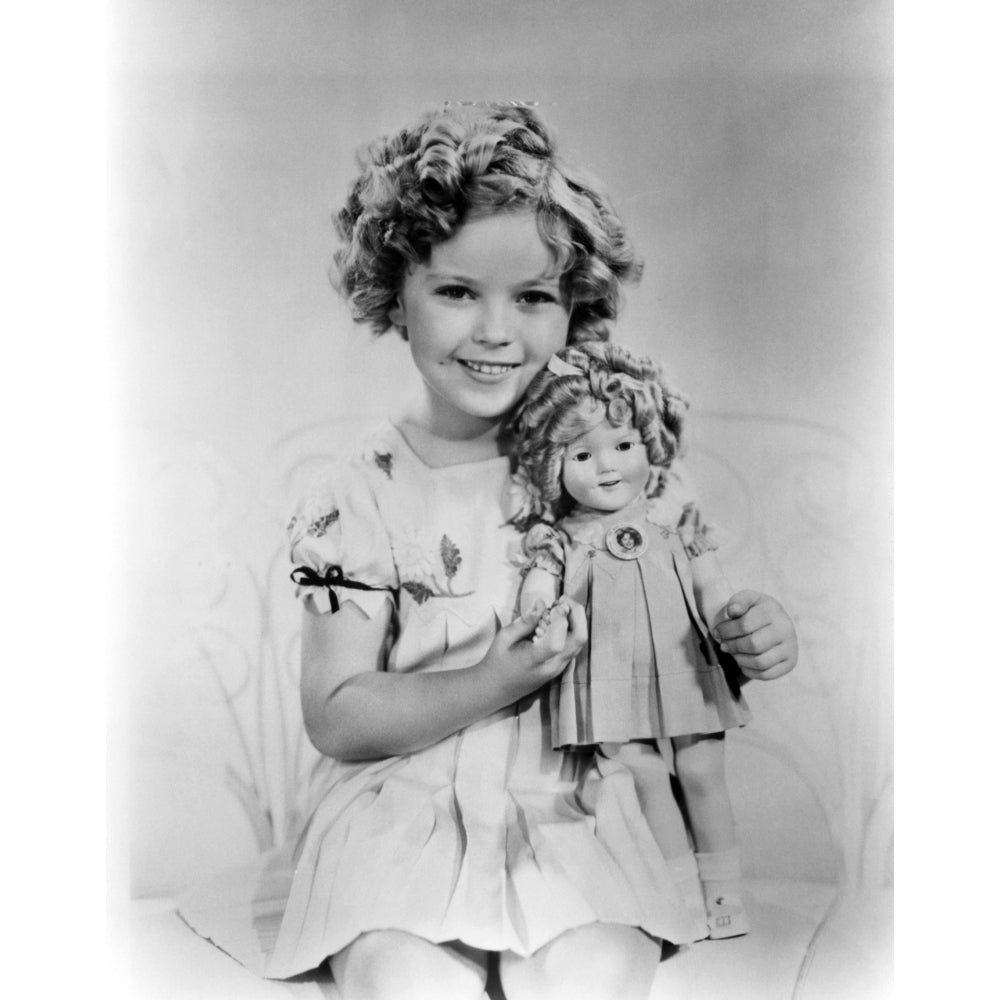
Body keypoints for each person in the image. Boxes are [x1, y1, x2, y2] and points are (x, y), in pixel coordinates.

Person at [179, 102, 798, 1000]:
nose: (497, 332)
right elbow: (338, 714)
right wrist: (495, 682)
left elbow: (684, 617)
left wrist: (747, 635)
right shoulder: (362, 493)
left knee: (596, 974)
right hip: (403, 809)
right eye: (458, 292)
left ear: (576, 306)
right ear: (397, 296)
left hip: (578, 802)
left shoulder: (619, 470)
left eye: (534, 297)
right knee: (403, 977)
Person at [512, 341, 768, 940]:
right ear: (555, 465)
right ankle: (678, 897)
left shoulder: (674, 523)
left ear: (647, 446)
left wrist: (730, 623)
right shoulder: (560, 539)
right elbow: (537, 595)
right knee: (642, 775)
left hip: (683, 659)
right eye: (583, 453)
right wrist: (540, 616)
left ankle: (725, 896)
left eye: (623, 446)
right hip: (606, 672)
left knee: (702, 767)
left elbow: (710, 587)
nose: (608, 467)